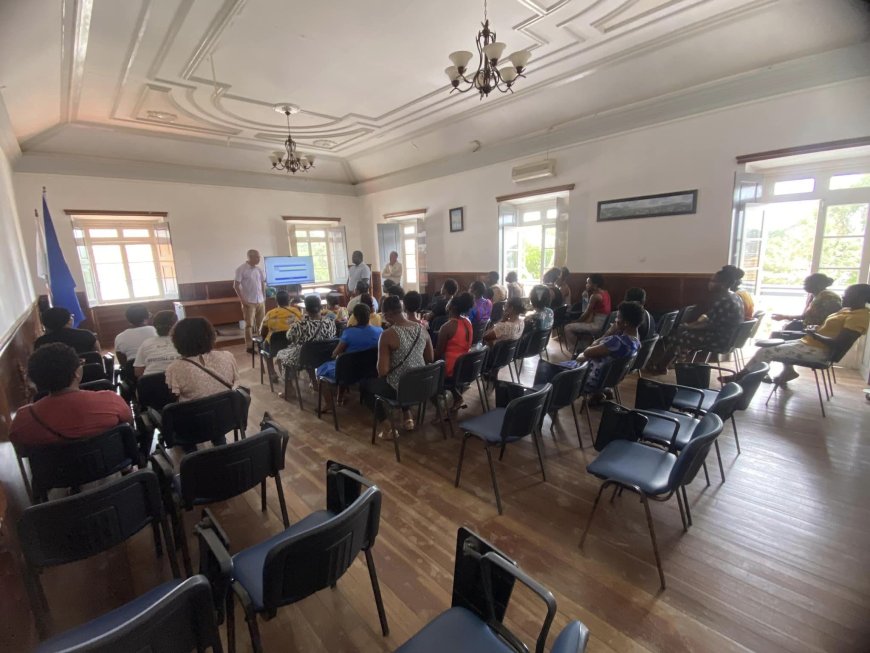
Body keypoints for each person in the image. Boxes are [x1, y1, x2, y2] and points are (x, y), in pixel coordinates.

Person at [728, 283, 870, 386]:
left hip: (819, 351)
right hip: (809, 343)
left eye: (848, 294)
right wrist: (816, 329)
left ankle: (743, 382)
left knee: (765, 351)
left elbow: (841, 343)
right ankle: (743, 377)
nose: (843, 296)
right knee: (771, 345)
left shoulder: (860, 316)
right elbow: (830, 328)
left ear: (860, 297)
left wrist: (815, 335)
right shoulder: (847, 310)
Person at [10, 343, 132, 447]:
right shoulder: (110, 400)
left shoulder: (23, 418)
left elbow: (22, 451)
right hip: (114, 465)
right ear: (76, 373)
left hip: (55, 473)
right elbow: (128, 424)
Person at [534, 302, 643, 402]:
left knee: (545, 368)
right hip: (605, 380)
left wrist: (609, 332)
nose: (615, 321)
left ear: (626, 323)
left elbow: (587, 352)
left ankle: (542, 402)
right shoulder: (636, 342)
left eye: (618, 318)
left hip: (588, 378)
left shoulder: (616, 342)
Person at [646, 266, 745, 373]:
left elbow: (710, 325)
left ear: (724, 284)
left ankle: (662, 366)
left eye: (713, 281)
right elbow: (710, 320)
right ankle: (673, 363)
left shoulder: (723, 300)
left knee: (678, 336)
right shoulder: (735, 297)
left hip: (719, 340)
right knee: (684, 333)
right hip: (730, 338)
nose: (710, 283)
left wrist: (689, 326)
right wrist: (691, 326)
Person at [361, 295, 433, 435]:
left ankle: (388, 427)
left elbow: (382, 371)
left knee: (366, 386)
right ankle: (407, 417)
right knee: (404, 376)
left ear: (387, 314)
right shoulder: (422, 329)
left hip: (402, 389)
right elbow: (430, 358)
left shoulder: (387, 335)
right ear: (402, 310)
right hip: (423, 386)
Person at [316, 303, 383, 403]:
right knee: (344, 363)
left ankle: (330, 404)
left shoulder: (349, 333)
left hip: (349, 372)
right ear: (370, 315)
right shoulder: (380, 331)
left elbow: (335, 353)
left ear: (354, 317)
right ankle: (340, 396)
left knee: (321, 370)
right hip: (371, 370)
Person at [165, 317, 239, 402]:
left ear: (176, 340)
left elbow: (174, 400)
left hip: (196, 413)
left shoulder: (174, 368)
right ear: (211, 336)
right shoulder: (228, 356)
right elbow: (234, 384)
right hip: (228, 411)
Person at [275, 294, 337, 387]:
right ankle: (314, 382)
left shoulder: (300, 325)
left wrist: (294, 324)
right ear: (321, 307)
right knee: (310, 350)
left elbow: (289, 337)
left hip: (305, 358)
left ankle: (289, 389)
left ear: (306, 310)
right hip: (326, 356)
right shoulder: (330, 322)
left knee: (280, 354)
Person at [435, 292, 474, 410]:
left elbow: (438, 353)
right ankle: (457, 398)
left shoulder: (447, 326)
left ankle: (439, 412)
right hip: (465, 365)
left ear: (452, 307)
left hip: (451, 369)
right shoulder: (467, 322)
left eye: (449, 301)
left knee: (429, 370)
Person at [771, 273, 841, 332]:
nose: (804, 284)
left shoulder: (828, 297)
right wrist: (784, 317)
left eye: (807, 283)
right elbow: (804, 317)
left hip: (818, 332)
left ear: (818, 285)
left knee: (778, 335)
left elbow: (830, 320)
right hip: (810, 329)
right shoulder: (815, 295)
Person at [258, 290, 302, 383]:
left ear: (276, 301)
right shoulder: (296, 311)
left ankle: (272, 373)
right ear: (289, 300)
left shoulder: (270, 313)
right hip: (293, 345)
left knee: (264, 345)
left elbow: (262, 332)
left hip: (275, 347)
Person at [564, 274, 611, 348]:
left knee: (568, 327)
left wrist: (576, 321)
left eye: (588, 283)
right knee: (579, 327)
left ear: (595, 284)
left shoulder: (595, 296)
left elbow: (586, 312)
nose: (586, 285)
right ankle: (583, 347)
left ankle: (576, 350)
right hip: (604, 325)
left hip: (597, 325)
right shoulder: (606, 293)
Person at [234, 249, 266, 353]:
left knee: (261, 324)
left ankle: (262, 343)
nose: (259, 259)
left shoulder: (259, 269)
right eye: (257, 257)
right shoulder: (241, 269)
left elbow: (262, 283)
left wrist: (264, 297)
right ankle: (249, 346)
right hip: (249, 301)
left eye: (259, 256)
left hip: (260, 301)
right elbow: (236, 286)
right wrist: (243, 301)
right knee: (249, 325)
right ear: (250, 257)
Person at [134, 310, 180, 377]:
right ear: (176, 325)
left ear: (155, 325)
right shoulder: (184, 342)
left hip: (152, 385)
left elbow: (138, 372)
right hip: (181, 383)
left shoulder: (146, 343)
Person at [34, 307, 99, 354]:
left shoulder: (40, 343)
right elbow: (98, 355)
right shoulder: (87, 335)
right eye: (71, 316)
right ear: (68, 321)